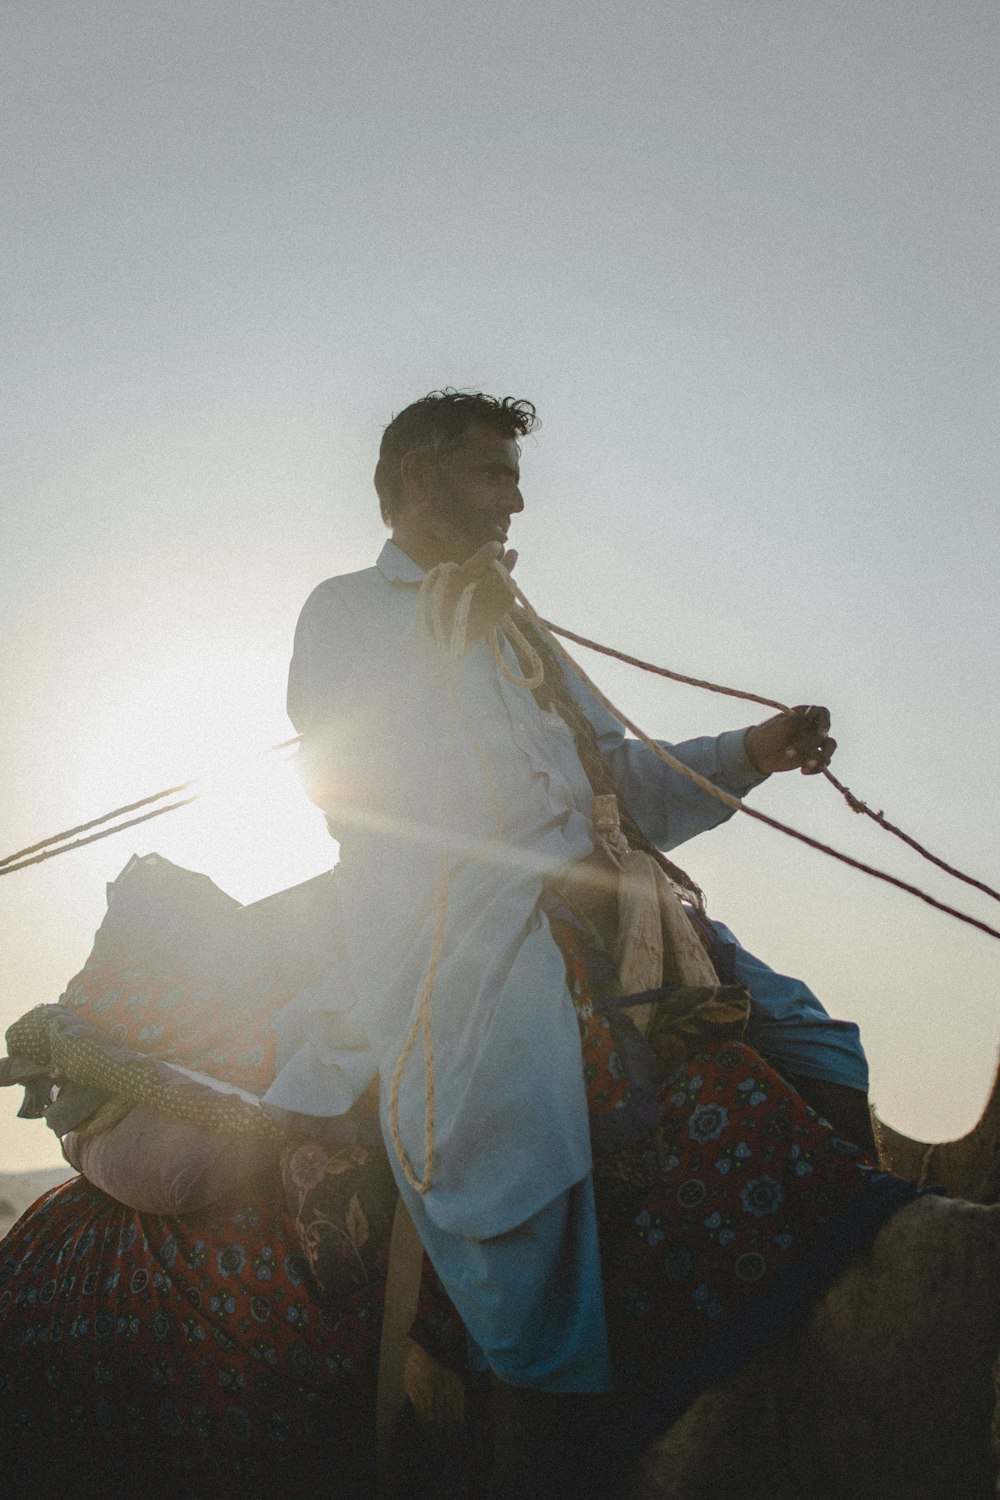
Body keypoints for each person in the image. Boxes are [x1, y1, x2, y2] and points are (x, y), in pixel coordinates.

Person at [264, 389, 879, 1494]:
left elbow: (627, 779)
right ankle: (546, 1436)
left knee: (824, 1051)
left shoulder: (519, 631)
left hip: (613, 910)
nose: (516, 497)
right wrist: (435, 652)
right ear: (417, 482)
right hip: (460, 928)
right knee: (521, 1166)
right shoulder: (346, 611)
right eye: (491, 474)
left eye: (512, 474)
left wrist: (753, 747)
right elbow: (343, 771)